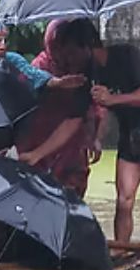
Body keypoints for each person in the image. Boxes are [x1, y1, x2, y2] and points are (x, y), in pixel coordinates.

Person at [59, 19, 140, 247]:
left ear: (88, 46)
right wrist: (95, 139)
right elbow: (73, 120)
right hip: (131, 136)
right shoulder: (88, 75)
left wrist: (113, 99)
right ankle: (121, 250)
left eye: (72, 53)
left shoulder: (127, 55)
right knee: (124, 200)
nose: (69, 60)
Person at [0, 19, 88, 169]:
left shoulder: (12, 61)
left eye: (5, 40)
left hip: (10, 133)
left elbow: (33, 75)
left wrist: (58, 82)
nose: (3, 45)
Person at [20, 20, 107, 197]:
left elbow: (92, 107)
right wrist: (54, 84)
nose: (70, 59)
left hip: (74, 143)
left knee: (72, 193)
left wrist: (95, 136)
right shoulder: (39, 67)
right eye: (65, 51)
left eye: (75, 52)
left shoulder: (88, 68)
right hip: (41, 138)